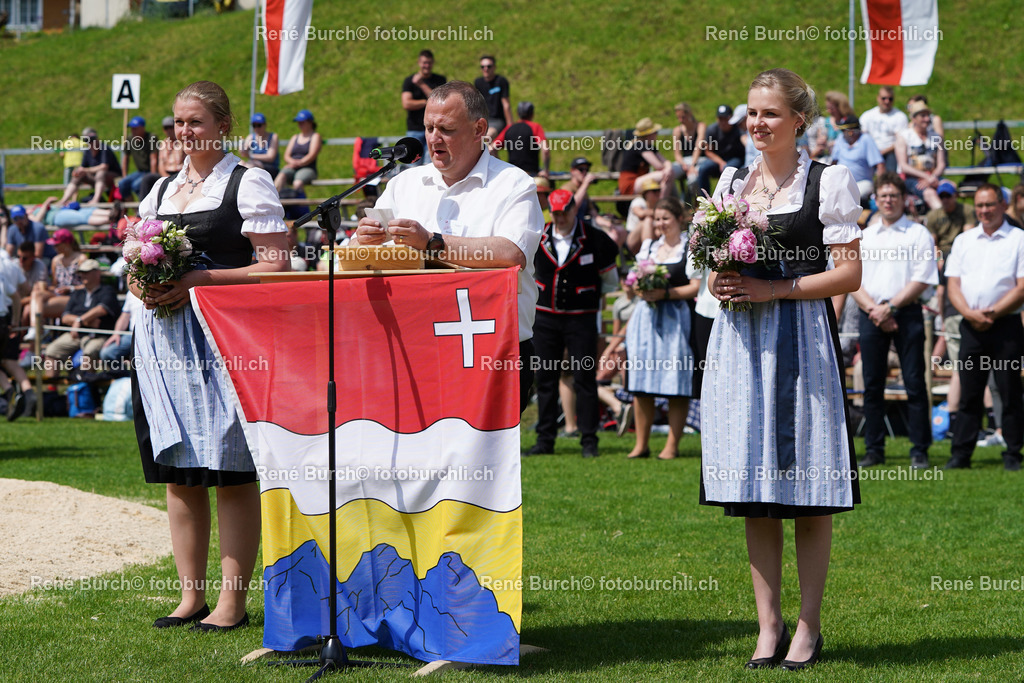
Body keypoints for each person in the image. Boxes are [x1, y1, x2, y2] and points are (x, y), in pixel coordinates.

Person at [701, 68, 862, 671]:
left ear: (799, 120)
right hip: (741, 345)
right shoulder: (732, 182)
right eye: (752, 112)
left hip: (800, 339)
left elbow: (848, 275)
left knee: (808, 488)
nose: (757, 122)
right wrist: (718, 277)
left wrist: (778, 288)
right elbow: (714, 263)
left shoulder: (829, 181)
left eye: (770, 112)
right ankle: (766, 626)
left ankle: (808, 626)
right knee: (754, 490)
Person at [131, 80, 291, 632]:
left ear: (223, 125)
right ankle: (190, 596)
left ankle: (232, 602)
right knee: (178, 472)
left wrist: (203, 279)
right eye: (178, 121)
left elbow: (275, 264)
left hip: (226, 345)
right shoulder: (158, 191)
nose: (184, 131)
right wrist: (140, 281)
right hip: (163, 346)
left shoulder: (249, 183)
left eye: (195, 121)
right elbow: (135, 257)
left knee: (230, 473)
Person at [353, 80, 544, 414]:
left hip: (492, 349)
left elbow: (512, 254)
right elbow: (356, 252)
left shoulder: (513, 184)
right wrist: (363, 240)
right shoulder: (404, 184)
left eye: (446, 129)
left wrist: (432, 243)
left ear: (479, 129)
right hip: (415, 350)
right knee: (418, 463)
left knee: (485, 463)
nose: (433, 139)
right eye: (428, 127)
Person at [851, 173, 938, 469]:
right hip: (870, 314)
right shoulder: (864, 236)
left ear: (905, 199)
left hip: (907, 313)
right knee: (872, 386)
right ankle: (874, 450)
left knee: (915, 383)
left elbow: (923, 278)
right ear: (875, 199)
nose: (888, 200)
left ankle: (919, 450)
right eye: (883, 195)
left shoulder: (918, 234)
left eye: (894, 196)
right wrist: (876, 310)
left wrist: (890, 307)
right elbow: (852, 280)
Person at [526, 189, 619, 458]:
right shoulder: (538, 237)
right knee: (545, 378)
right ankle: (545, 440)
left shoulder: (594, 238)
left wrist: (589, 298)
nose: (560, 217)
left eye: (564, 211)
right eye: (555, 213)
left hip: (582, 318)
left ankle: (589, 441)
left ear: (573, 209)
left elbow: (611, 280)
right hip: (545, 317)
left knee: (584, 379)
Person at [943, 183, 1024, 471]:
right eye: (979, 205)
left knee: (1009, 389)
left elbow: (1022, 286)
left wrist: (992, 312)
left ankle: (1014, 453)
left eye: (990, 205)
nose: (984, 211)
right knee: (970, 393)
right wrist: (970, 314)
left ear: (1003, 205)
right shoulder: (965, 240)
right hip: (971, 326)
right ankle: (960, 455)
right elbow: (952, 283)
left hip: (1006, 325)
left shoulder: (1018, 239)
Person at [625, 197, 700, 460]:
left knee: (676, 381)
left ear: (680, 219)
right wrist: (637, 288)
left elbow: (695, 286)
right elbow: (632, 281)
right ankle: (641, 443)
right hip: (646, 319)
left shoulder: (689, 248)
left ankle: (672, 445)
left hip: (676, 317)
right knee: (641, 381)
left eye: (665, 218)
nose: (660, 224)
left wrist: (665, 294)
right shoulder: (648, 246)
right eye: (657, 219)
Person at [42, 259, 118, 367]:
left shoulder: (107, 291)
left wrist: (79, 321)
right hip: (76, 334)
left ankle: (86, 382)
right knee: (51, 351)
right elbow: (65, 317)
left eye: (86, 272)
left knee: (88, 353)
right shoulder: (77, 293)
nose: (82, 275)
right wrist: (84, 321)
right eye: (81, 273)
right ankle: (52, 383)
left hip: (99, 336)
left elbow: (101, 309)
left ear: (97, 273)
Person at [895, 100, 945, 211]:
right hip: (911, 178)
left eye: (928, 115)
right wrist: (926, 177)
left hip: (932, 176)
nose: (927, 119)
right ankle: (943, 221)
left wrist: (932, 177)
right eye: (923, 116)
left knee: (949, 187)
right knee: (929, 193)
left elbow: (941, 164)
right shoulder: (904, 136)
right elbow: (903, 166)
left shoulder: (936, 137)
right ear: (914, 118)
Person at [401, 49, 446, 165]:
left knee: (431, 165)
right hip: (415, 129)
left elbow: (439, 100)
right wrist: (426, 102)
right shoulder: (409, 81)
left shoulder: (440, 80)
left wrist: (421, 84)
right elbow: (406, 103)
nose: (426, 65)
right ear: (419, 63)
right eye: (424, 62)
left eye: (429, 63)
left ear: (433, 63)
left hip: (434, 130)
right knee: (412, 166)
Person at [830, 115, 884, 207]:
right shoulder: (840, 139)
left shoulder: (866, 139)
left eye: (844, 130)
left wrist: (880, 189)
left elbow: (880, 165)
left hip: (862, 182)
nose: (842, 133)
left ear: (852, 132)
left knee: (849, 196)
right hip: (841, 182)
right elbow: (833, 163)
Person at [58, 128, 122, 206]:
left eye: (92, 140)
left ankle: (96, 200)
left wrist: (85, 170)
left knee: (100, 173)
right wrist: (78, 171)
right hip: (97, 179)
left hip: (113, 178)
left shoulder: (104, 148)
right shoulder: (88, 151)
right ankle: (64, 200)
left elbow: (104, 167)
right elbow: (82, 167)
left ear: (97, 140)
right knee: (78, 175)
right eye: (88, 141)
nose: (90, 143)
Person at [695, 105, 745, 196]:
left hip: (735, 158)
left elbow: (744, 140)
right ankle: (705, 200)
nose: (723, 122)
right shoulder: (712, 130)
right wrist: (720, 162)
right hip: (718, 158)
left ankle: (725, 199)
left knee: (728, 169)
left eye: (725, 118)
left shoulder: (738, 129)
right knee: (702, 169)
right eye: (720, 119)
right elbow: (708, 151)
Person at [491, 101, 549, 177]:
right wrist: (546, 170)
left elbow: (491, 149)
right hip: (531, 174)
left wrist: (502, 168)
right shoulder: (535, 127)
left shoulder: (509, 128)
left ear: (518, 114)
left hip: (513, 175)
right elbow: (545, 150)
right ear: (532, 114)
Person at [859, 86, 907, 172]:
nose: (887, 101)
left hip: (891, 152)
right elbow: (862, 137)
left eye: (890, 99)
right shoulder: (867, 115)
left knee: (890, 174)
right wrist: (874, 152)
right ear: (878, 98)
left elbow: (900, 140)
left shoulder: (900, 117)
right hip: (871, 151)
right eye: (884, 98)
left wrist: (883, 152)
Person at [274, 109, 322, 194]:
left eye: (302, 122)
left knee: (297, 182)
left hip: (308, 168)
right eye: (299, 122)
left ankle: (301, 206)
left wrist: (298, 163)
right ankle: (275, 202)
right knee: (280, 177)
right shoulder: (295, 137)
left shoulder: (315, 136)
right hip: (293, 167)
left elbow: (312, 155)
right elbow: (286, 155)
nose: (300, 125)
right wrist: (292, 162)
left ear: (310, 122)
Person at [118, 116, 159, 202]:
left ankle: (145, 206)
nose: (133, 131)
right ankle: (135, 210)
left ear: (142, 128)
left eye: (135, 129)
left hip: (149, 172)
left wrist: (152, 177)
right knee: (122, 184)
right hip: (140, 171)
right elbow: (125, 158)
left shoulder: (151, 138)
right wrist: (124, 175)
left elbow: (153, 159)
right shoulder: (130, 139)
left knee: (137, 185)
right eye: (132, 129)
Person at [475, 54, 512, 140]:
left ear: (494, 67)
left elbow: (506, 105)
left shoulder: (501, 81)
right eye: (482, 67)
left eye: (489, 66)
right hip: (483, 120)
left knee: (487, 137)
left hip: (497, 120)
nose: (486, 69)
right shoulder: (478, 82)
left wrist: (510, 126)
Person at [672, 103, 706, 193]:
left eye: (683, 117)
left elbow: (698, 148)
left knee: (692, 179)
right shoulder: (677, 130)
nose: (681, 120)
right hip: (684, 161)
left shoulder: (700, 126)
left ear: (689, 114)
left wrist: (692, 165)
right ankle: (675, 201)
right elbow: (677, 154)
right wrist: (684, 165)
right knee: (668, 174)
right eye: (678, 117)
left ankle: (695, 203)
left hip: (699, 160)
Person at [240, 112, 279, 179]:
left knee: (250, 167)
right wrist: (242, 148)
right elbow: (244, 151)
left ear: (265, 125)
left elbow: (270, 157)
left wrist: (251, 156)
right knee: (240, 164)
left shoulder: (273, 137)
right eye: (254, 125)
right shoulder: (251, 137)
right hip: (255, 164)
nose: (257, 128)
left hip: (270, 167)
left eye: (259, 125)